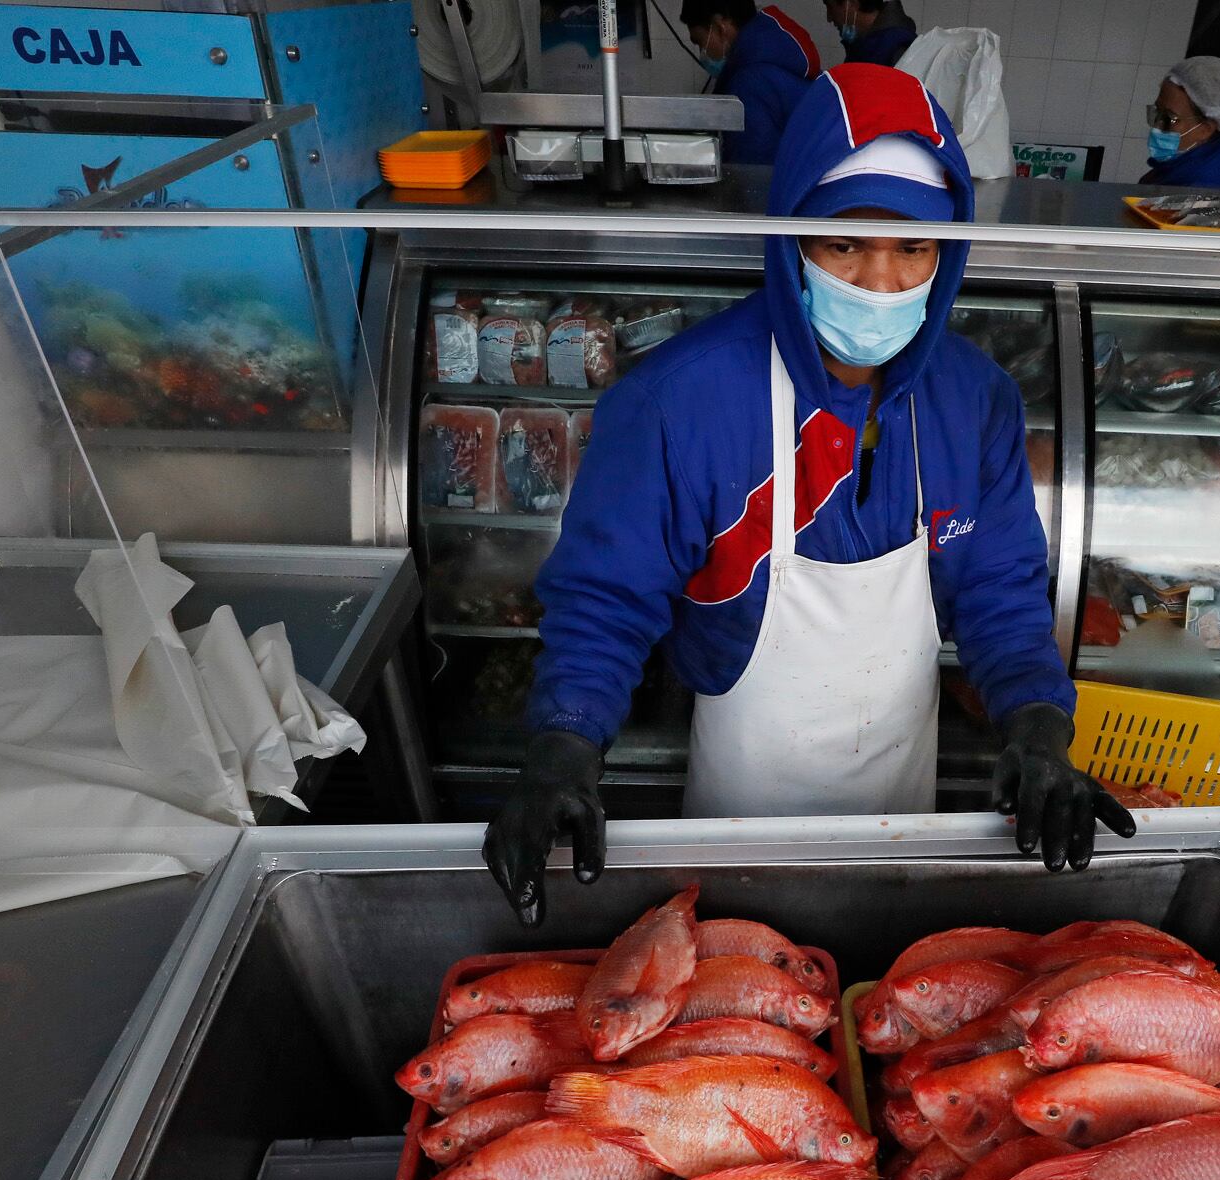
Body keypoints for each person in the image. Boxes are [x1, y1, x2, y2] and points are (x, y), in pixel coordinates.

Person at [485, 63, 1134, 925]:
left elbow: (1000, 590)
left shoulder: (973, 402)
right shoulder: (679, 403)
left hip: (906, 809)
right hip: (734, 813)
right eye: (844, 244)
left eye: (914, 248)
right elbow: (606, 600)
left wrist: (1037, 730)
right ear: (793, 239)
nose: (880, 282)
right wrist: (563, 751)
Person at [683, 0, 823, 166]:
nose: (702, 54)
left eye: (700, 42)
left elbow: (751, 175)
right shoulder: (778, 59)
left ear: (720, 28)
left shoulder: (749, 84)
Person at [1142, 55, 1220, 191]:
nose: (1157, 127)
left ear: (1205, 129)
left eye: (1169, 119)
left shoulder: (1205, 187)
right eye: (1157, 112)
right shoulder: (1187, 163)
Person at [825, 0, 916, 67]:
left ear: (852, 4)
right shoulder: (863, 45)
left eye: (830, 7)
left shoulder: (899, 49)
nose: (829, 18)